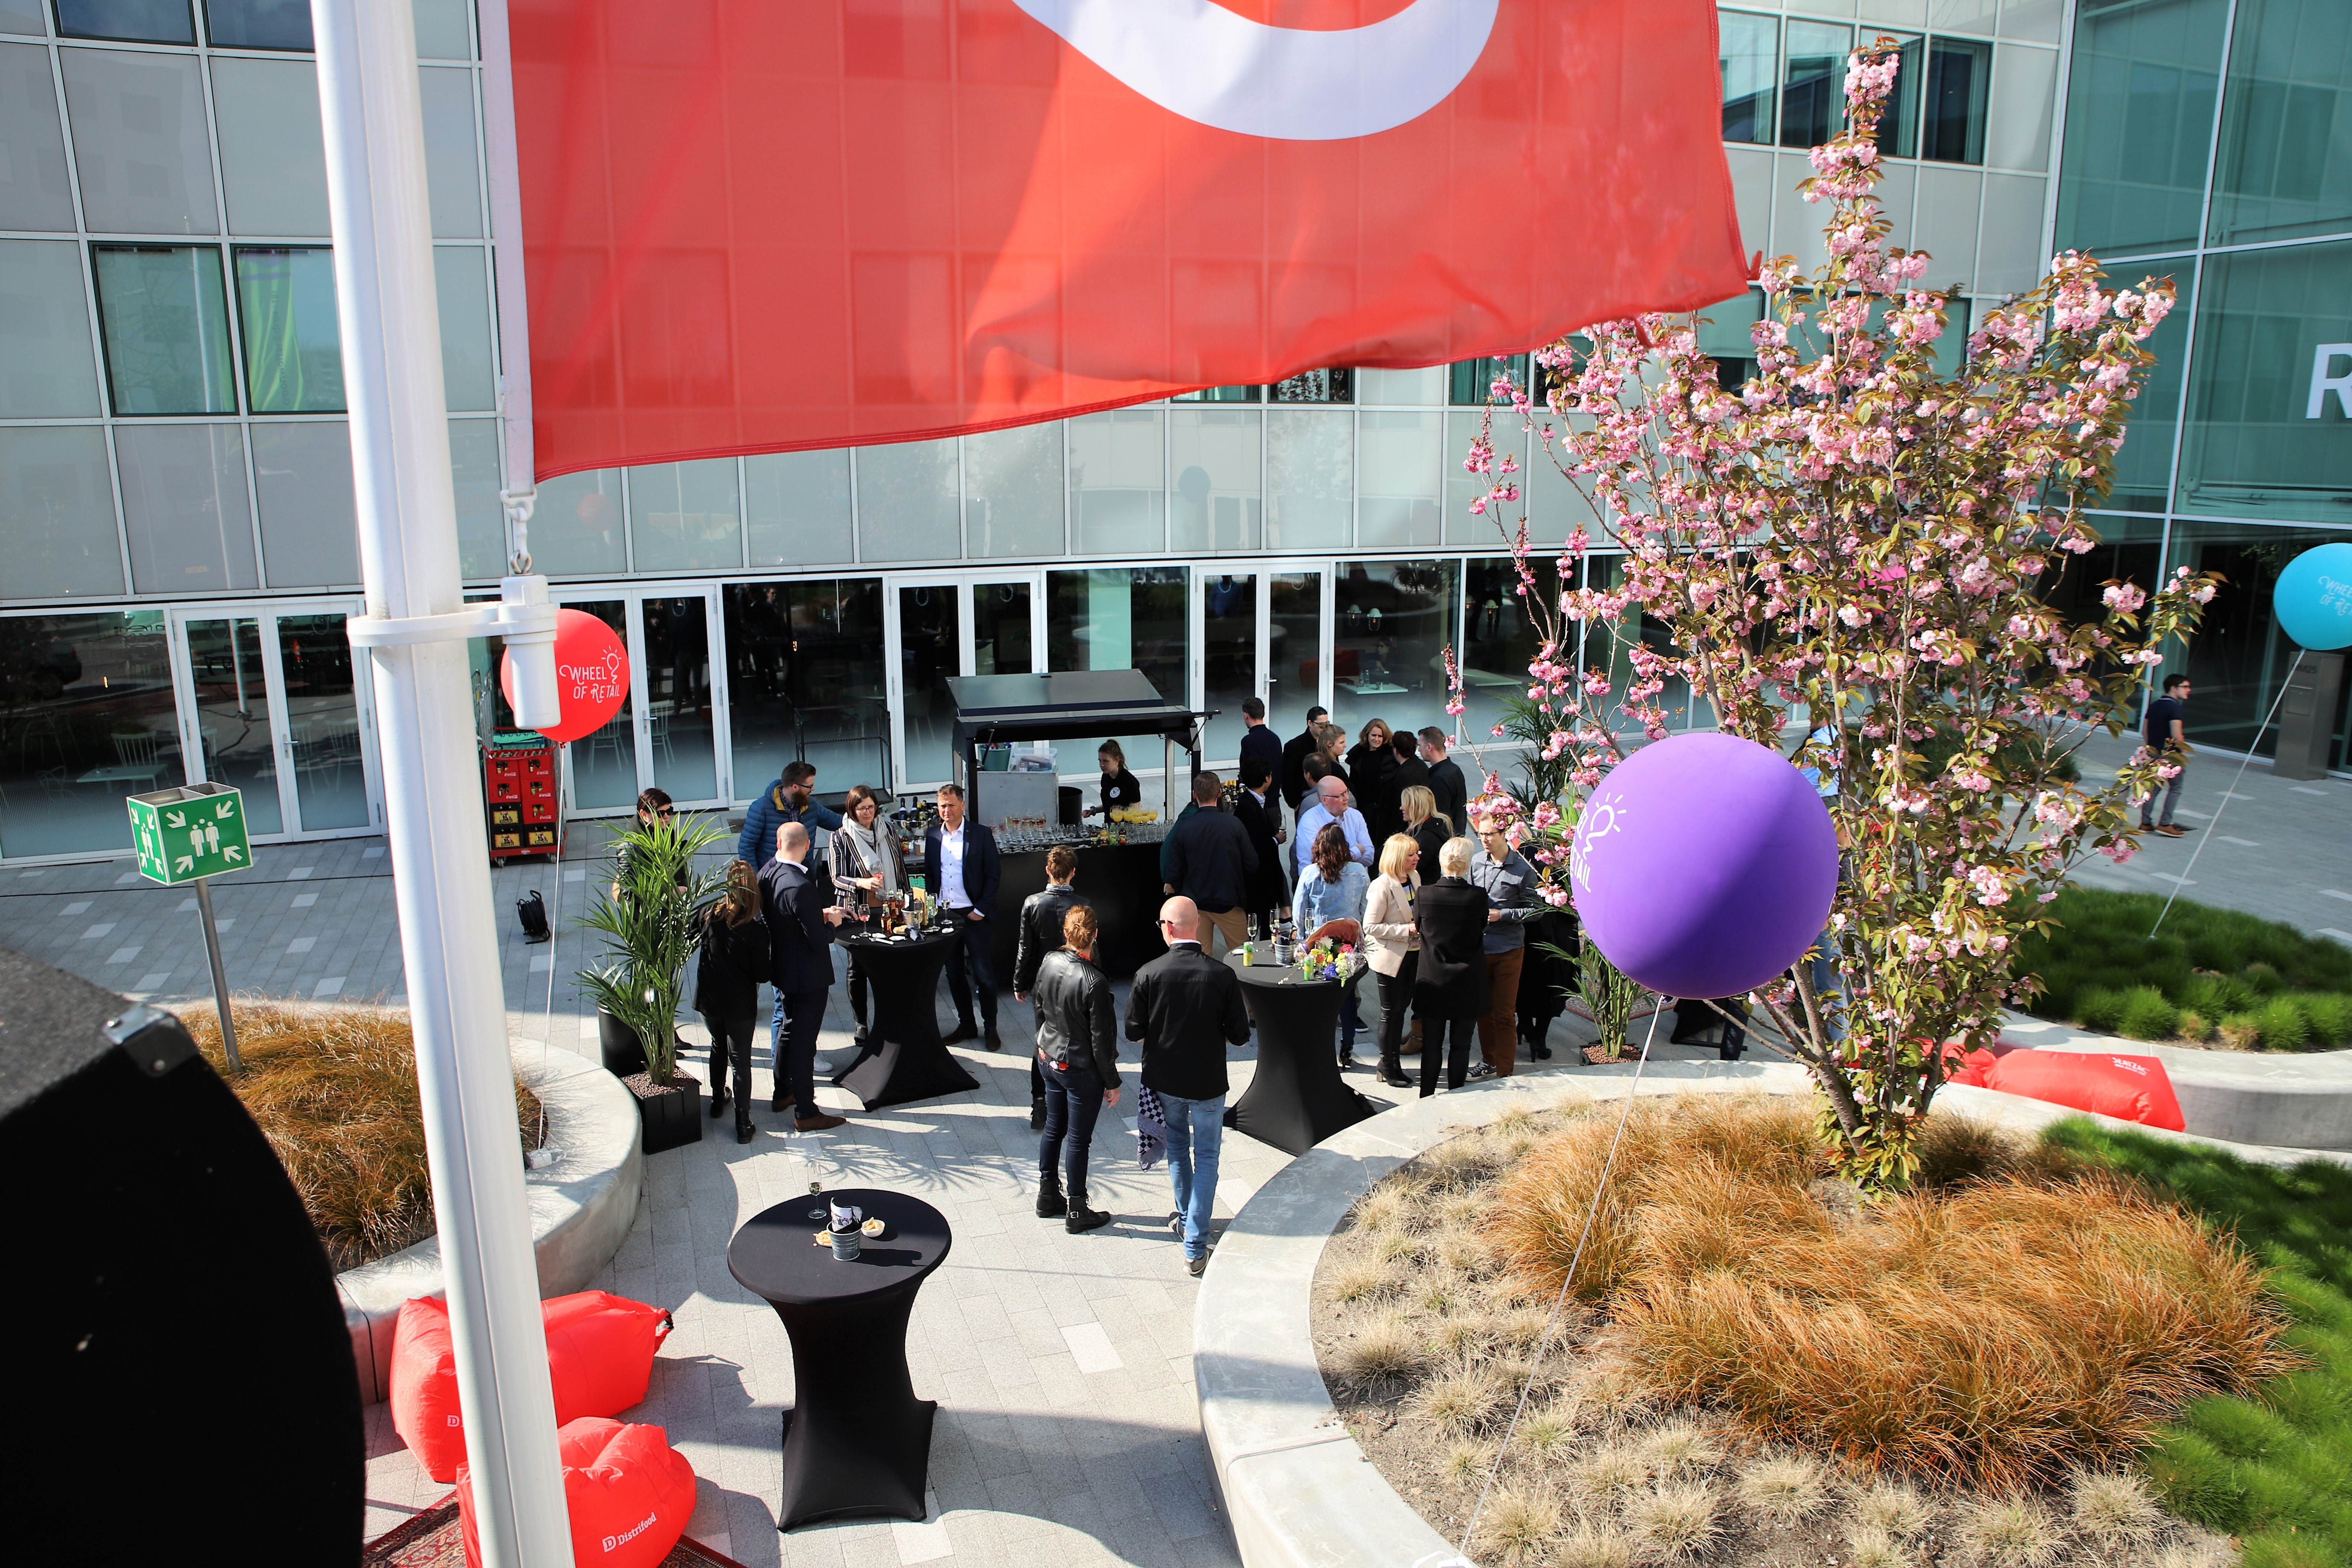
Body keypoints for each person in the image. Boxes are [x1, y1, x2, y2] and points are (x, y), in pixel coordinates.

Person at [1125, 897, 1252, 1278]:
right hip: (1208, 1081)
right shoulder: (1222, 975)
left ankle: (1187, 1224)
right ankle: (1194, 1243)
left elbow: (1133, 1032)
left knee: (1179, 1150)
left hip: (1165, 1080)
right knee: (1208, 1156)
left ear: (1168, 927)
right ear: (1197, 925)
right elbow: (1241, 1036)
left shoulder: (1148, 973)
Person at [1032, 904, 1120, 1234]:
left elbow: (1040, 1007)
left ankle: (1047, 1195)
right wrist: (1112, 1082)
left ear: (1066, 932)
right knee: (1079, 1141)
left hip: (1049, 1057)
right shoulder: (1095, 981)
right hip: (1079, 1068)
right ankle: (1077, 1208)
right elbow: (1102, 1040)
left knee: (1054, 1128)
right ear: (1095, 935)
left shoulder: (1049, 961)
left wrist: (1043, 1044)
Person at [758, 822, 848, 1132]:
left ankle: (782, 1092)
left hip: (783, 969)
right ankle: (807, 1112)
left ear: (778, 843)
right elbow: (818, 940)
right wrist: (832, 923)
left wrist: (815, 914)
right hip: (808, 976)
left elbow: (785, 916)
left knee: (787, 1030)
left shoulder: (767, 873)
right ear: (808, 846)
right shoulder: (801, 886)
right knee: (803, 1042)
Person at [1014, 844, 1090, 1131]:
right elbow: (1092, 948)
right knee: (1078, 1036)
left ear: (1048, 870)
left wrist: (1019, 981)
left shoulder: (1032, 903)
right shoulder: (1083, 905)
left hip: (1043, 980)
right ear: (1073, 873)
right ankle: (1074, 1094)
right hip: (1076, 980)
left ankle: (1040, 1103)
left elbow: (1025, 947)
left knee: (1042, 1041)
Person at [694, 860, 770, 1144]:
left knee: (718, 1046)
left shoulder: (709, 914)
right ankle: (743, 1122)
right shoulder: (755, 930)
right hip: (740, 1005)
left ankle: (717, 1101)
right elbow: (762, 975)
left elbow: (689, 933)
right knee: (741, 1061)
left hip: (709, 1000)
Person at [923, 783, 1003, 1049]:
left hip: (973, 914)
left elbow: (993, 874)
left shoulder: (980, 834)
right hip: (946, 915)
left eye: (951, 805)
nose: (946, 810)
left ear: (962, 805)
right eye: (942, 806)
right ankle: (967, 1024)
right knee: (954, 974)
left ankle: (990, 1027)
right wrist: (934, 906)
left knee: (983, 974)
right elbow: (931, 873)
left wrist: (980, 909)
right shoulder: (933, 835)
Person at [1465, 811, 1542, 1079]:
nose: (1485, 840)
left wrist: (1504, 915)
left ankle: (1506, 1073)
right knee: (1483, 1011)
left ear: (1504, 835)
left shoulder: (1523, 869)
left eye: (1490, 834)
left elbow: (1537, 910)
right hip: (1480, 948)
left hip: (1508, 950)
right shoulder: (1477, 862)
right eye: (1481, 835)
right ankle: (1489, 1060)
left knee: (1505, 1013)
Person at [1412, 838, 1491, 1096]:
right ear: (1467, 864)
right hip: (1468, 980)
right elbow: (1482, 926)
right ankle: (1456, 1096)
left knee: (1432, 1045)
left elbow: (1418, 927)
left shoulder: (1425, 894)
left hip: (1433, 978)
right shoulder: (1478, 896)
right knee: (1461, 1046)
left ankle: (1426, 1095)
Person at [829, 783, 905, 1049]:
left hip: (888, 907)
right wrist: (861, 883)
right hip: (858, 910)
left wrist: (904, 898)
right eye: (862, 809)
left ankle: (890, 1018)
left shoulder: (888, 830)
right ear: (852, 809)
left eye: (871, 807)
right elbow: (836, 877)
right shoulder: (840, 837)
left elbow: (899, 866)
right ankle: (861, 1022)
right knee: (857, 969)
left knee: (889, 965)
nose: (867, 813)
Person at [1292, 824, 1370, 1066]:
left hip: (1319, 942)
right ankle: (1347, 1047)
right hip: (1348, 944)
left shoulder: (1310, 873)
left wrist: (1302, 940)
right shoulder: (1359, 871)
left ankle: (1317, 1046)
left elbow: (1299, 912)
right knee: (1347, 996)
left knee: (1316, 996)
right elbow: (1366, 908)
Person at [1162, 771, 1259, 956]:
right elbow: (1252, 864)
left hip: (1196, 905)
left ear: (1195, 795)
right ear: (1220, 793)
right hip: (1230, 902)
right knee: (1243, 957)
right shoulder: (1234, 824)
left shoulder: (1185, 827)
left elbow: (1175, 867)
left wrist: (1175, 885)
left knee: (1200, 958)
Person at [1362, 833, 1423, 1088]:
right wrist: (1406, 930)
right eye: (1411, 855)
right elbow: (1370, 926)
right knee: (1391, 1012)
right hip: (1391, 959)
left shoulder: (1414, 878)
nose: (1417, 858)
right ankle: (1387, 1064)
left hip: (1414, 954)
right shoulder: (1382, 886)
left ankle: (1394, 1063)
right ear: (1398, 858)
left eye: (1417, 853)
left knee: (1401, 1010)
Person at [737, 760, 843, 867]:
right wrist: (757, 876)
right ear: (795, 787)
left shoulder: (811, 805)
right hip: (773, 874)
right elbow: (746, 848)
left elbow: (837, 822)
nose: (813, 789)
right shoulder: (761, 809)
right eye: (810, 786)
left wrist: (854, 818)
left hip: (805, 873)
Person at [1231, 756, 1287, 939]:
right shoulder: (1248, 806)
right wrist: (1276, 840)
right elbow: (1254, 844)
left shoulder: (1255, 801)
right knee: (1258, 924)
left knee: (1266, 923)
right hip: (1257, 880)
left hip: (1263, 880)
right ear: (1267, 778)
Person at [2141, 674, 2192, 838]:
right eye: (2185, 687)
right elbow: (2177, 736)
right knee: (2176, 788)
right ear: (2174, 688)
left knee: (2154, 788)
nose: (2189, 690)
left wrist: (2153, 750)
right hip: (2171, 756)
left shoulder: (2154, 705)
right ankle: (2165, 824)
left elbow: (2145, 731)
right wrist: (2182, 752)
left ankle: (2145, 822)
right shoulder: (2175, 708)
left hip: (2154, 754)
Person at [1294, 775, 1375, 876]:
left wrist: (1339, 860)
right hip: (1320, 882)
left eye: (1347, 792)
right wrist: (1357, 851)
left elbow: (1369, 856)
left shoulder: (1355, 816)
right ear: (1325, 800)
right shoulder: (1309, 821)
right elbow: (1323, 862)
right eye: (1340, 796)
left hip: (1353, 882)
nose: (1347, 798)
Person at [610, 787, 678, 901]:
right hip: (647, 909)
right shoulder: (630, 847)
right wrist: (666, 893)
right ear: (644, 814)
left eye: (669, 811)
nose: (666, 816)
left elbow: (678, 862)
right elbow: (628, 892)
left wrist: (682, 886)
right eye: (660, 813)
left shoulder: (667, 832)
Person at [1376, 726, 1429, 844]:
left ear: (1396, 750)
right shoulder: (1422, 767)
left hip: (1403, 834)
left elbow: (1396, 812)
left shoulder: (1401, 776)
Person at [1346, 718, 1396, 834]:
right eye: (1374, 735)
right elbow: (1354, 781)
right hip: (1365, 805)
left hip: (1385, 806)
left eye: (1380, 736)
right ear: (1367, 735)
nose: (1377, 739)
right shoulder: (1358, 754)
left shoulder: (1391, 755)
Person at [1279, 704, 1329, 819]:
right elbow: (1287, 777)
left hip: (1328, 801)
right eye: (1321, 725)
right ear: (1310, 723)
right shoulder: (1294, 746)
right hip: (1304, 801)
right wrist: (1294, 804)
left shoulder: (1329, 743)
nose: (1324, 728)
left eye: (1327, 725)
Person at [1421, 727, 1468, 840]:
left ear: (1429, 747)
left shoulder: (1438, 778)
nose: (1419, 750)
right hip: (1458, 835)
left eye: (1420, 745)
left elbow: (1441, 816)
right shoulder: (1455, 769)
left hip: (1446, 841)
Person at [1237, 696, 1282, 796]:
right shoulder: (1275, 739)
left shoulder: (1249, 741)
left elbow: (1249, 773)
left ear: (1246, 716)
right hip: (1274, 796)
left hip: (1258, 798)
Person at [1401, 784, 1453, 870]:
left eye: (1405, 804)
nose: (1401, 808)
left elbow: (1410, 870)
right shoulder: (1432, 828)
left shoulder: (1425, 838)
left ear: (1417, 807)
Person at [1089, 740, 1143, 819]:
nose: (1102, 765)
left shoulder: (1130, 782)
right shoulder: (1106, 777)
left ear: (1117, 761)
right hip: (1109, 825)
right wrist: (1094, 811)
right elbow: (1109, 805)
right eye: (1100, 761)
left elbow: (1136, 812)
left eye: (1106, 761)